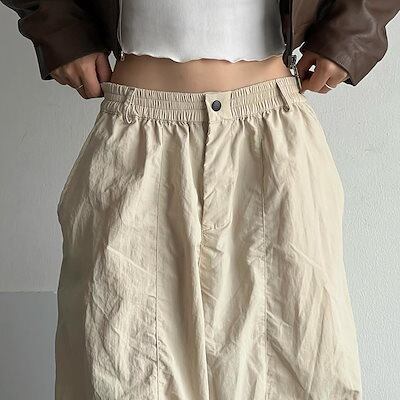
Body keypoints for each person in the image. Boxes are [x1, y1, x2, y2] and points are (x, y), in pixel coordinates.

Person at [2, 1, 399, 399]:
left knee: (296, 364)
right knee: (123, 364)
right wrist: (62, 30)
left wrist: (350, 34)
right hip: (136, 136)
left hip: (273, 138)